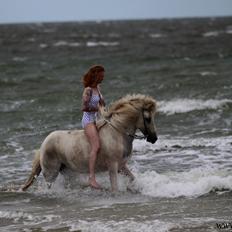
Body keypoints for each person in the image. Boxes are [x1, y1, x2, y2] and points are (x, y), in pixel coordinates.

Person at [81, 65, 105, 189]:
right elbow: (84, 108)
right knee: (96, 146)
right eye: (101, 75)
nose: (103, 78)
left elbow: (102, 104)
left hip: (97, 119)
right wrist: (97, 108)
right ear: (96, 75)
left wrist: (103, 105)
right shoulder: (88, 90)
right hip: (88, 120)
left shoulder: (98, 88)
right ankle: (91, 178)